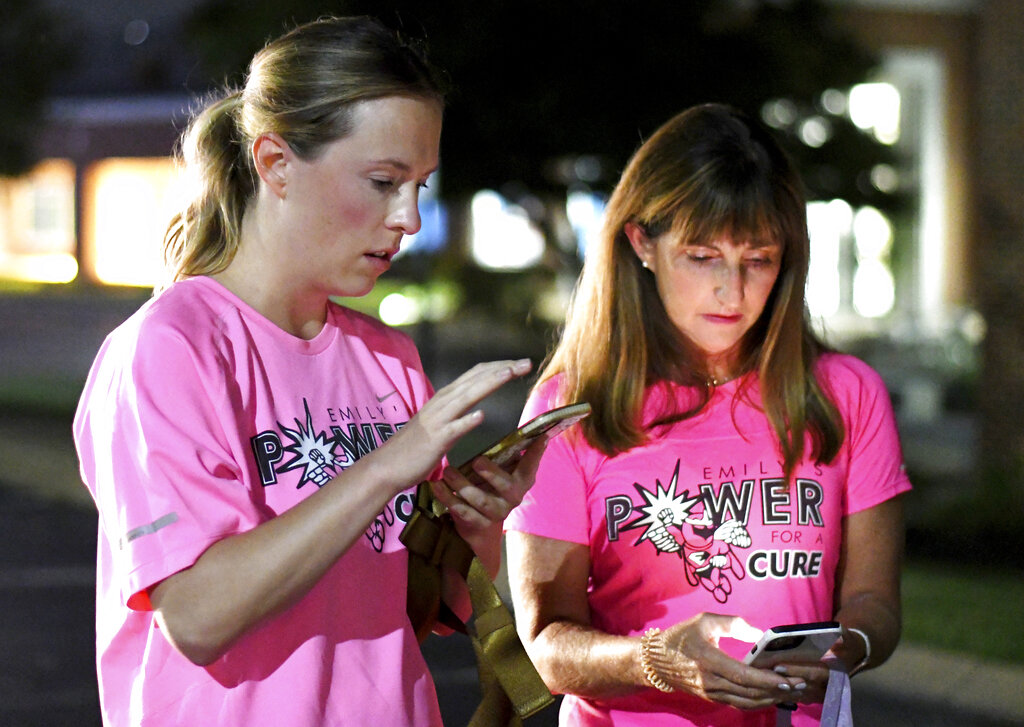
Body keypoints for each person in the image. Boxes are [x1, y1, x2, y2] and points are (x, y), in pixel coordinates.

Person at [73, 16, 545, 727]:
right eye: (384, 181)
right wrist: (387, 465)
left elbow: (408, 601)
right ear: (275, 163)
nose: (410, 217)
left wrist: (482, 527)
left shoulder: (388, 358)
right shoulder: (170, 347)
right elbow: (197, 615)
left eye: (420, 184)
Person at [503, 103, 910, 726]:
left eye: (759, 259)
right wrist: (659, 659)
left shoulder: (845, 395)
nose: (733, 289)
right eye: (701, 256)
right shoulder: (572, 409)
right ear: (642, 241)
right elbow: (547, 649)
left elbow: (874, 604)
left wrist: (842, 650)